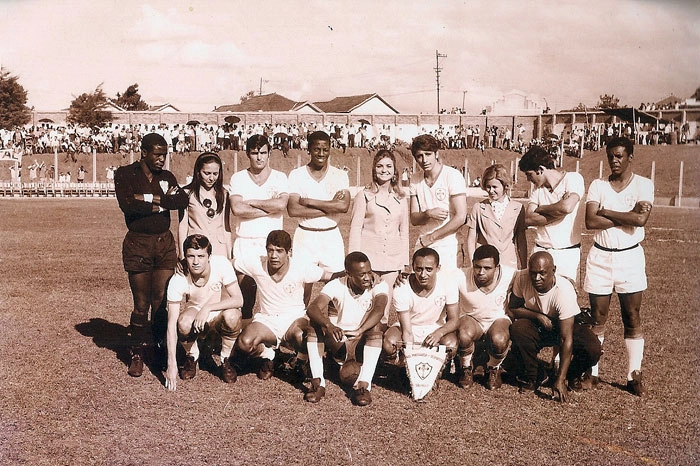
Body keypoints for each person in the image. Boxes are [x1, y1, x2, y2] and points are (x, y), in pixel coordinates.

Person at [114, 133, 189, 377]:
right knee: (141, 304)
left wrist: (147, 199)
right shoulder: (125, 174)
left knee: (161, 302)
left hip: (164, 244)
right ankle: (137, 352)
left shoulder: (167, 176)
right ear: (143, 152)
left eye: (164, 155)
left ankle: (159, 349)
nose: (161, 159)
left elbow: (181, 200)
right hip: (138, 244)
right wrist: (161, 201)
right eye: (157, 154)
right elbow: (128, 205)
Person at [584, 137, 653, 396]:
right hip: (601, 257)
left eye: (620, 156)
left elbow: (641, 219)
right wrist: (626, 216)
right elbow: (591, 221)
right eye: (610, 156)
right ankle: (592, 373)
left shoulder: (644, 185)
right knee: (597, 318)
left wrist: (607, 212)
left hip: (630, 257)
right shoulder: (598, 185)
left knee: (631, 316)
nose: (614, 160)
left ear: (630, 157)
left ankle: (634, 373)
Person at [232, 230, 336, 382]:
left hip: (295, 319)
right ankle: (268, 354)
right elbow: (229, 264)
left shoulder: (301, 266)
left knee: (306, 337)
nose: (274, 256)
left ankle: (301, 361)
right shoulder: (257, 263)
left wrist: (363, 274)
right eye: (270, 250)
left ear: (289, 252)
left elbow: (332, 276)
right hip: (267, 320)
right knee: (244, 344)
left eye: (279, 251)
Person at [508, 252, 601, 402]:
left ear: (554, 270)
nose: (537, 278)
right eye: (533, 273)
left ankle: (571, 374)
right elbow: (513, 308)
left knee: (593, 348)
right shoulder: (522, 277)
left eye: (542, 273)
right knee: (518, 329)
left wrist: (561, 379)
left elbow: (566, 338)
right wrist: (538, 316)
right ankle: (535, 375)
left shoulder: (563, 291)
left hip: (565, 325)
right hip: (538, 323)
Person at [304, 252, 388, 406]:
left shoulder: (379, 284)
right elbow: (313, 308)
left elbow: (379, 309)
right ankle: (318, 382)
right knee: (314, 324)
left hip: (363, 340)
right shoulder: (337, 284)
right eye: (362, 274)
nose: (368, 277)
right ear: (349, 274)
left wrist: (360, 330)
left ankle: (364, 386)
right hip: (340, 341)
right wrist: (329, 325)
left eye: (369, 272)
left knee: (376, 325)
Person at [164, 234, 244, 390]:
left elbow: (239, 299)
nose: (195, 261)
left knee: (233, 315)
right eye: (190, 256)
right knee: (183, 323)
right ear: (184, 256)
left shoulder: (221, 263)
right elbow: (171, 324)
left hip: (218, 309)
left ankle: (225, 359)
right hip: (194, 310)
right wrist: (171, 364)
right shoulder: (178, 278)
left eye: (201, 256)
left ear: (209, 256)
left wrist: (207, 308)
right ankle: (192, 355)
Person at [229, 134, 289, 319]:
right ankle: (241, 339)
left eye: (263, 152)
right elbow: (237, 209)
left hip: (270, 244)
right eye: (255, 153)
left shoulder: (279, 177)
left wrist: (253, 202)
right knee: (245, 298)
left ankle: (273, 339)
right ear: (248, 154)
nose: (259, 157)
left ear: (269, 153)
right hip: (245, 242)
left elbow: (281, 205)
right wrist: (269, 207)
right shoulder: (238, 178)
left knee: (272, 296)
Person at [348, 149, 409, 325]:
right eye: (380, 166)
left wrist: (403, 264)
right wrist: (354, 262)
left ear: (394, 171)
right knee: (364, 306)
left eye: (389, 166)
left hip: (391, 262)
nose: (384, 170)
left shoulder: (401, 198)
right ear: (374, 169)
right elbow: (355, 228)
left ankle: (379, 350)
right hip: (369, 262)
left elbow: (404, 232)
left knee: (383, 309)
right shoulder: (364, 196)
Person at [383, 247, 460, 384]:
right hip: (410, 328)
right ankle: (403, 368)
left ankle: (437, 368)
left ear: (438, 268)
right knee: (390, 342)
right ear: (412, 267)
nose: (423, 274)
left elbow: (454, 320)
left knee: (451, 344)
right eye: (419, 269)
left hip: (435, 328)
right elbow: (407, 331)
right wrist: (410, 360)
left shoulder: (448, 282)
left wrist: (438, 333)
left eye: (429, 269)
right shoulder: (401, 287)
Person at [287, 130, 350, 293]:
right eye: (316, 149)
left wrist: (309, 202)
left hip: (331, 236)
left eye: (325, 149)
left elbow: (343, 206)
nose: (321, 154)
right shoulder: (297, 175)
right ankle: (300, 317)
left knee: (336, 283)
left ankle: (332, 319)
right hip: (305, 235)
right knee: (301, 284)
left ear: (330, 149)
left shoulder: (340, 175)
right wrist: (330, 207)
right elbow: (293, 209)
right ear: (309, 149)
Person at [519, 145, 584, 282]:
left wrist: (541, 208)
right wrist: (558, 209)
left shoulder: (573, 179)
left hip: (567, 252)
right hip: (540, 250)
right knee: (537, 299)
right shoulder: (537, 191)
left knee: (565, 296)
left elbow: (566, 207)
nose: (528, 180)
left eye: (529, 174)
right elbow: (529, 218)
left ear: (540, 170)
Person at [455, 245, 515, 390]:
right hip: (471, 319)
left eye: (487, 268)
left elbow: (531, 275)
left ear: (497, 267)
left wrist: (565, 281)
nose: (481, 272)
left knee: (499, 340)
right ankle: (466, 368)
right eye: (477, 267)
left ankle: (493, 368)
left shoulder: (511, 274)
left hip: (498, 319)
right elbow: (434, 274)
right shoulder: (460, 275)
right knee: (463, 334)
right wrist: (406, 276)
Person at [408, 134, 467, 270]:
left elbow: (461, 217)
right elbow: (414, 219)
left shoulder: (452, 175)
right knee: (422, 287)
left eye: (428, 154)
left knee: (447, 288)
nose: (424, 160)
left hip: (448, 243)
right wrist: (428, 213)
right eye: (419, 156)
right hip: (423, 242)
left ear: (436, 154)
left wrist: (432, 236)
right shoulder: (415, 179)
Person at [464, 164, 527, 270]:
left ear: (505, 186)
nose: (491, 191)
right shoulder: (479, 208)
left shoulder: (518, 208)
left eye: (495, 187)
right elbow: (471, 239)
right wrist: (472, 264)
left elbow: (521, 239)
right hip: (484, 265)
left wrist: (524, 266)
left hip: (508, 264)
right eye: (488, 187)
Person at [178, 152, 231, 260]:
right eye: (207, 173)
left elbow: (226, 227)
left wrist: (229, 255)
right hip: (196, 249)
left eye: (215, 174)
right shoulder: (187, 193)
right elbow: (183, 225)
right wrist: (182, 254)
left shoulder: (224, 194)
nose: (211, 178)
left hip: (219, 250)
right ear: (198, 172)